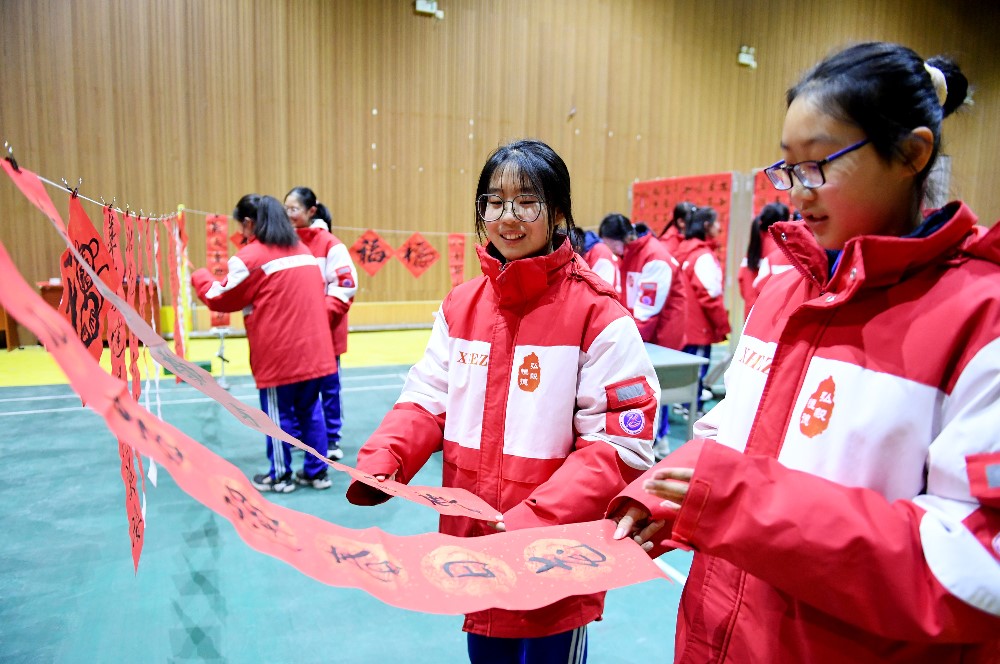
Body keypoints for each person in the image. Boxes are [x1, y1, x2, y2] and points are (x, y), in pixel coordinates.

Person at [610, 42, 1000, 662]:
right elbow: (727, 432)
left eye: (817, 165)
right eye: (786, 168)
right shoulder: (784, 293)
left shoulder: (981, 316)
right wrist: (666, 489)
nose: (796, 192)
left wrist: (736, 503)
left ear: (912, 154)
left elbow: (977, 565)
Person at [347, 139, 660, 664]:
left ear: (557, 212)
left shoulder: (598, 316)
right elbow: (426, 398)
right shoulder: (461, 306)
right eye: (493, 202)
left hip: (552, 558)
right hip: (475, 552)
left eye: (526, 201)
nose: (507, 217)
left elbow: (618, 447)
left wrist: (535, 519)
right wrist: (385, 460)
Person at [191, 194, 338, 492]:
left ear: (248, 224)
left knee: (278, 416)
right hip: (317, 350)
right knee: (311, 410)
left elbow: (220, 297)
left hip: (280, 355)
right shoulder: (303, 250)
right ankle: (316, 472)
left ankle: (281, 476)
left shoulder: (251, 257)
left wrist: (200, 277)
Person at [284, 186, 359, 463]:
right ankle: (295, 436)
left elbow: (346, 285)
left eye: (294, 209)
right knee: (293, 388)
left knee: (328, 389)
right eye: (286, 209)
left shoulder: (330, 244)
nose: (289, 214)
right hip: (293, 336)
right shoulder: (283, 242)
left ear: (310, 211)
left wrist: (316, 321)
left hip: (326, 334)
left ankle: (330, 439)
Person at [673, 206, 730, 412]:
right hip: (698, 327)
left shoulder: (683, 248)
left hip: (682, 324)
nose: (719, 227)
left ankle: (684, 403)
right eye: (716, 222)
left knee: (683, 369)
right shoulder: (703, 255)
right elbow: (710, 295)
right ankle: (691, 405)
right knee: (696, 371)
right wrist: (723, 326)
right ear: (706, 225)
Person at [737, 201, 792, 320]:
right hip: (770, 317)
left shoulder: (754, 245)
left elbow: (741, 279)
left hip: (751, 313)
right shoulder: (782, 248)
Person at [585, 213, 632, 295]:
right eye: (625, 242)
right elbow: (601, 296)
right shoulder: (603, 253)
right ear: (615, 240)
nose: (627, 246)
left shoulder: (612, 254)